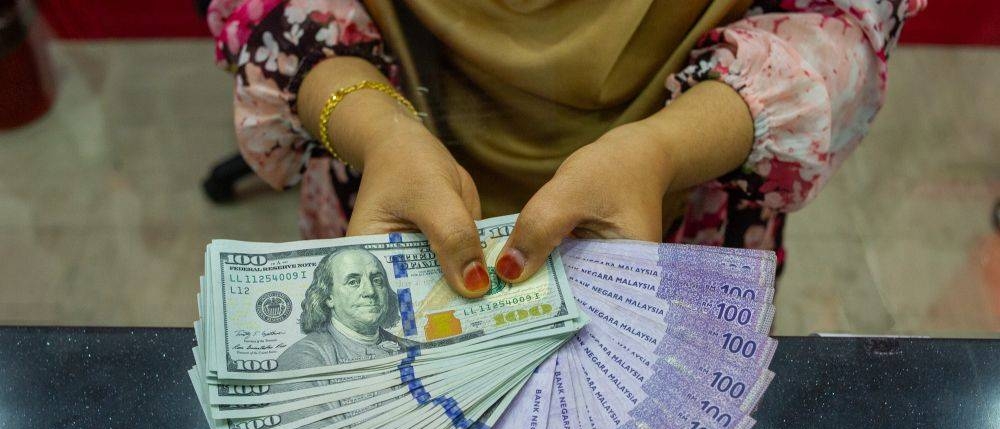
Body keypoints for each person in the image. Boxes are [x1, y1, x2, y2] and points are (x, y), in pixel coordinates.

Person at [207, 0, 925, 298]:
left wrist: (661, 151)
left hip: (685, 204)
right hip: (390, 199)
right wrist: (375, 128)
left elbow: (836, 20)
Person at [278, 246, 409, 372]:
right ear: (328, 297)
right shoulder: (302, 358)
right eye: (353, 282)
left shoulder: (411, 348)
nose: (370, 291)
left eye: (377, 280)